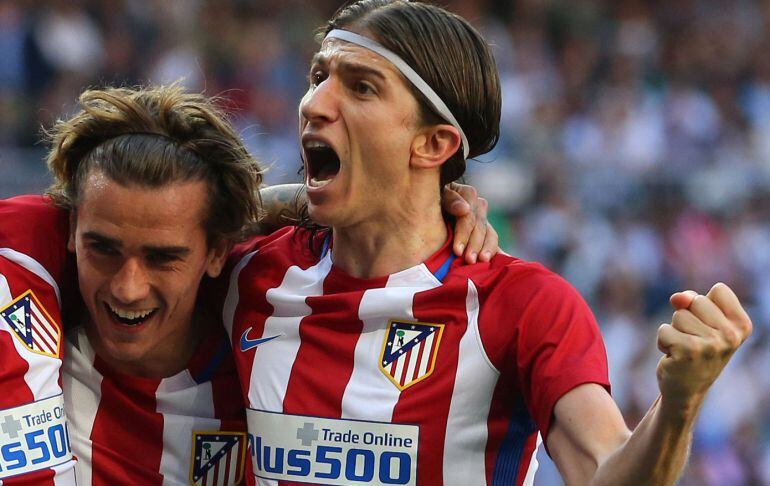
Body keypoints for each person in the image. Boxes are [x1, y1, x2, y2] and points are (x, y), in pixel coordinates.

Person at [222, 1, 752, 485]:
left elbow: (604, 473)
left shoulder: (523, 305)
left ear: (433, 144)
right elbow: (153, 230)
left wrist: (680, 404)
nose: (314, 103)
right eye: (319, 76)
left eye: (361, 87)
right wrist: (270, 206)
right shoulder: (248, 273)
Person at [0, 83, 496, 484]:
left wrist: (416, 208)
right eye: (103, 249)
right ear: (71, 231)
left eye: (164, 258)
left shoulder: (274, 353)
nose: (128, 288)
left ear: (218, 251)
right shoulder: (24, 252)